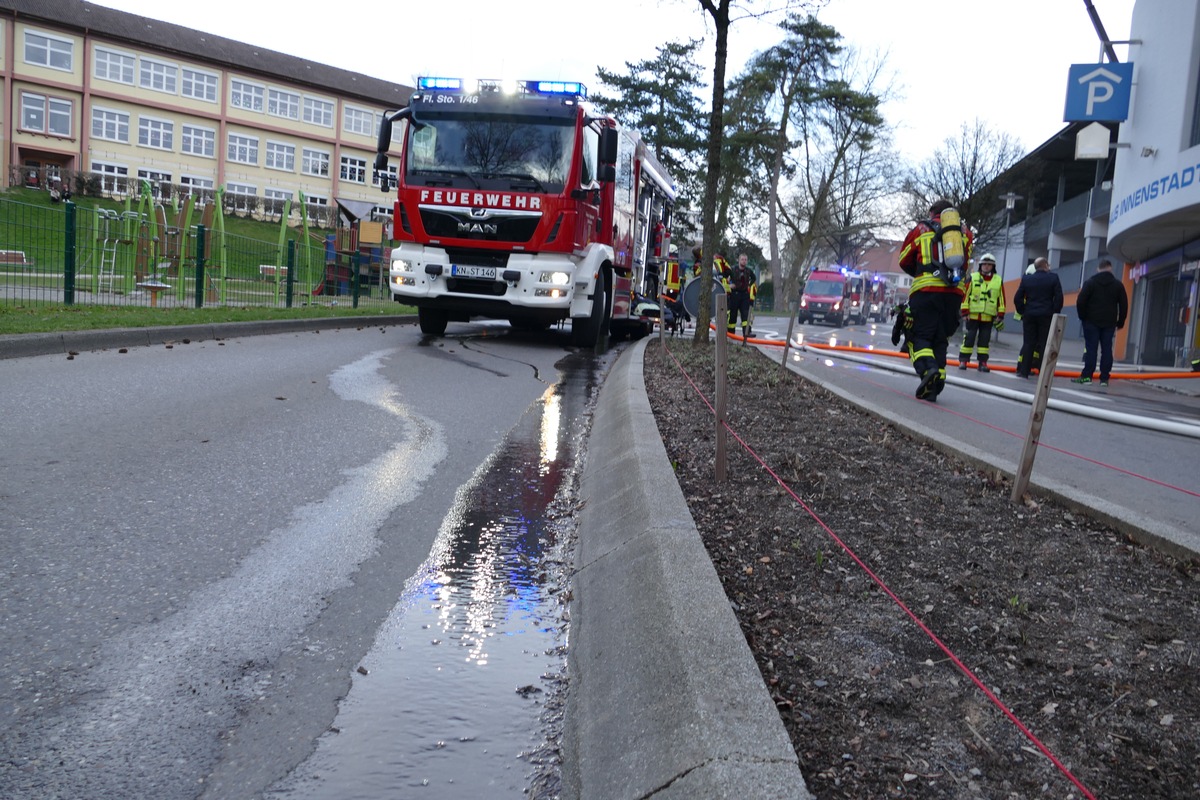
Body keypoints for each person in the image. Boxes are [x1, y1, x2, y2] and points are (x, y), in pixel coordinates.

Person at [897, 199, 973, 401]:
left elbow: (904, 259)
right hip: (954, 294)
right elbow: (965, 262)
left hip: (926, 291)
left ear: (932, 212)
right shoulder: (964, 233)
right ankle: (935, 386)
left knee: (918, 336)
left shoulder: (921, 229)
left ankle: (928, 371)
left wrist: (922, 271)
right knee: (940, 339)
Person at [1071, 259, 1128, 387]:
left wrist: (1083, 317)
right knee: (1107, 349)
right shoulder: (1118, 285)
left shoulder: (1090, 283)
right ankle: (1104, 379)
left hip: (1091, 321)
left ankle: (1087, 377)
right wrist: (1120, 322)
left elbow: (1080, 301)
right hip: (1109, 322)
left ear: (1098, 269)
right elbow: (1124, 305)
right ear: (1110, 268)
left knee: (1091, 349)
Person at [1012, 257, 1064, 379]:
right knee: (1044, 344)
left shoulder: (1027, 279)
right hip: (1046, 315)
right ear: (1045, 265)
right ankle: (1042, 372)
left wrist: (1023, 311)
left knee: (1028, 343)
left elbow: (1017, 298)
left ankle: (1024, 371)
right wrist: (1055, 312)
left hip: (1029, 315)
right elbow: (1059, 297)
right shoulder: (1053, 278)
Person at [957, 253, 1006, 372]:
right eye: (984, 264)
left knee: (984, 341)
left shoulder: (998, 280)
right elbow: (965, 296)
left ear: (993, 267)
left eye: (989, 265)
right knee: (969, 338)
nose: (986, 267)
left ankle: (982, 363)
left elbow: (1001, 299)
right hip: (972, 315)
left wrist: (1000, 315)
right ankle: (963, 361)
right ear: (980, 266)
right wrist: (964, 312)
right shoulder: (973, 278)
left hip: (988, 317)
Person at [726, 253, 757, 340]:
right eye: (742, 259)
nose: (744, 261)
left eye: (745, 260)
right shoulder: (733, 269)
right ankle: (731, 333)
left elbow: (754, 278)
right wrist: (730, 285)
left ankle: (747, 332)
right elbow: (725, 278)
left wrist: (749, 285)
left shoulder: (748, 271)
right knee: (733, 315)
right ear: (739, 260)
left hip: (744, 295)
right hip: (734, 295)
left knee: (745, 315)